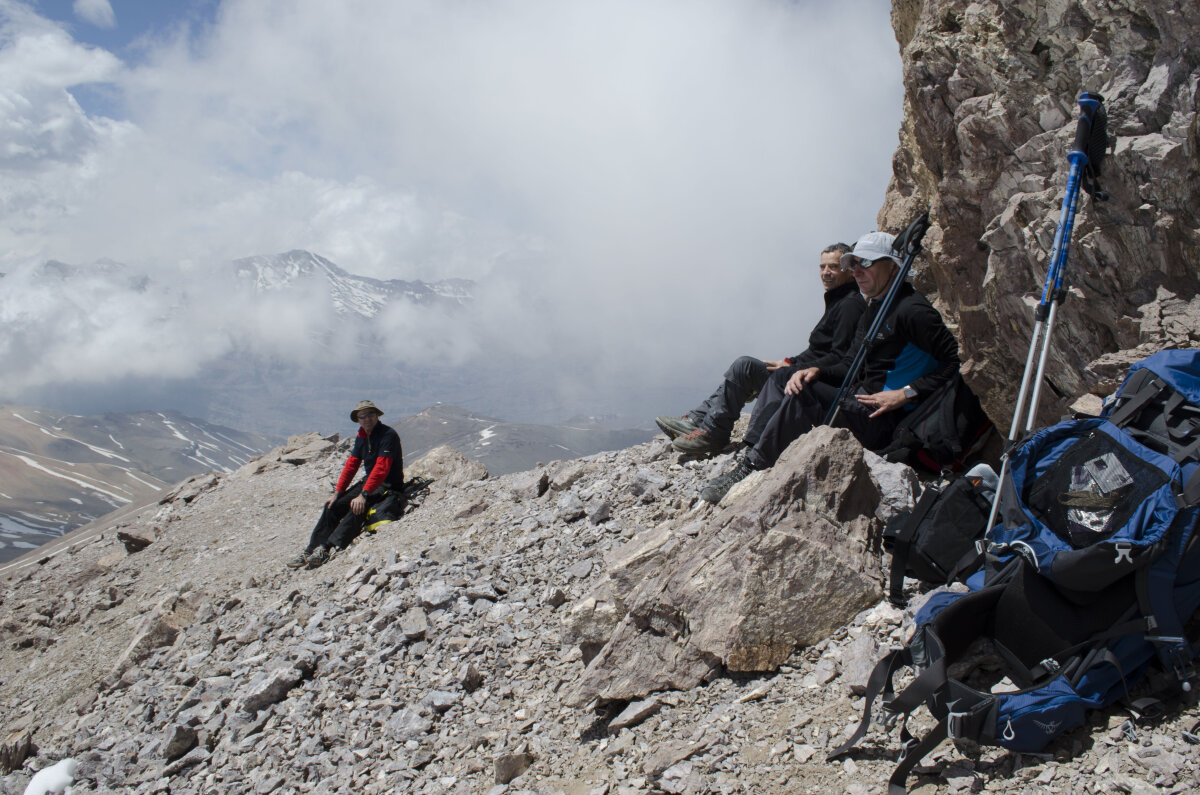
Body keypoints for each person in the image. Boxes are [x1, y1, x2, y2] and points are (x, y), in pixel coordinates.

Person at [700, 230, 960, 503]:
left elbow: (953, 364)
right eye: (854, 264)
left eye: (866, 263)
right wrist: (817, 371)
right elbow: (851, 364)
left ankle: (753, 468)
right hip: (863, 403)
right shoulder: (877, 308)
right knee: (794, 378)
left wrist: (905, 393)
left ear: (894, 266)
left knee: (805, 394)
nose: (857, 271)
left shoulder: (913, 311)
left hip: (887, 420)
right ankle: (752, 450)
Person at [656, 243, 865, 454]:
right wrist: (791, 362)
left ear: (848, 270)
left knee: (744, 366)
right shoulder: (838, 301)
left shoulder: (849, 305)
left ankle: (712, 433)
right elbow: (818, 351)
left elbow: (839, 358)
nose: (826, 272)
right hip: (801, 373)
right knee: (745, 366)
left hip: (811, 383)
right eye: (822, 267)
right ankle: (696, 419)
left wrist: (795, 367)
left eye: (833, 267)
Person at [287, 399, 406, 569]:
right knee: (333, 505)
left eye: (370, 414)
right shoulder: (362, 435)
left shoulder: (388, 435)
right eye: (362, 415)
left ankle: (326, 548)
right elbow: (352, 464)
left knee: (357, 507)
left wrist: (363, 495)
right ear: (358, 419)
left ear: (377, 415)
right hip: (370, 481)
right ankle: (310, 549)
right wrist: (337, 492)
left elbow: (382, 468)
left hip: (388, 484)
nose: (367, 418)